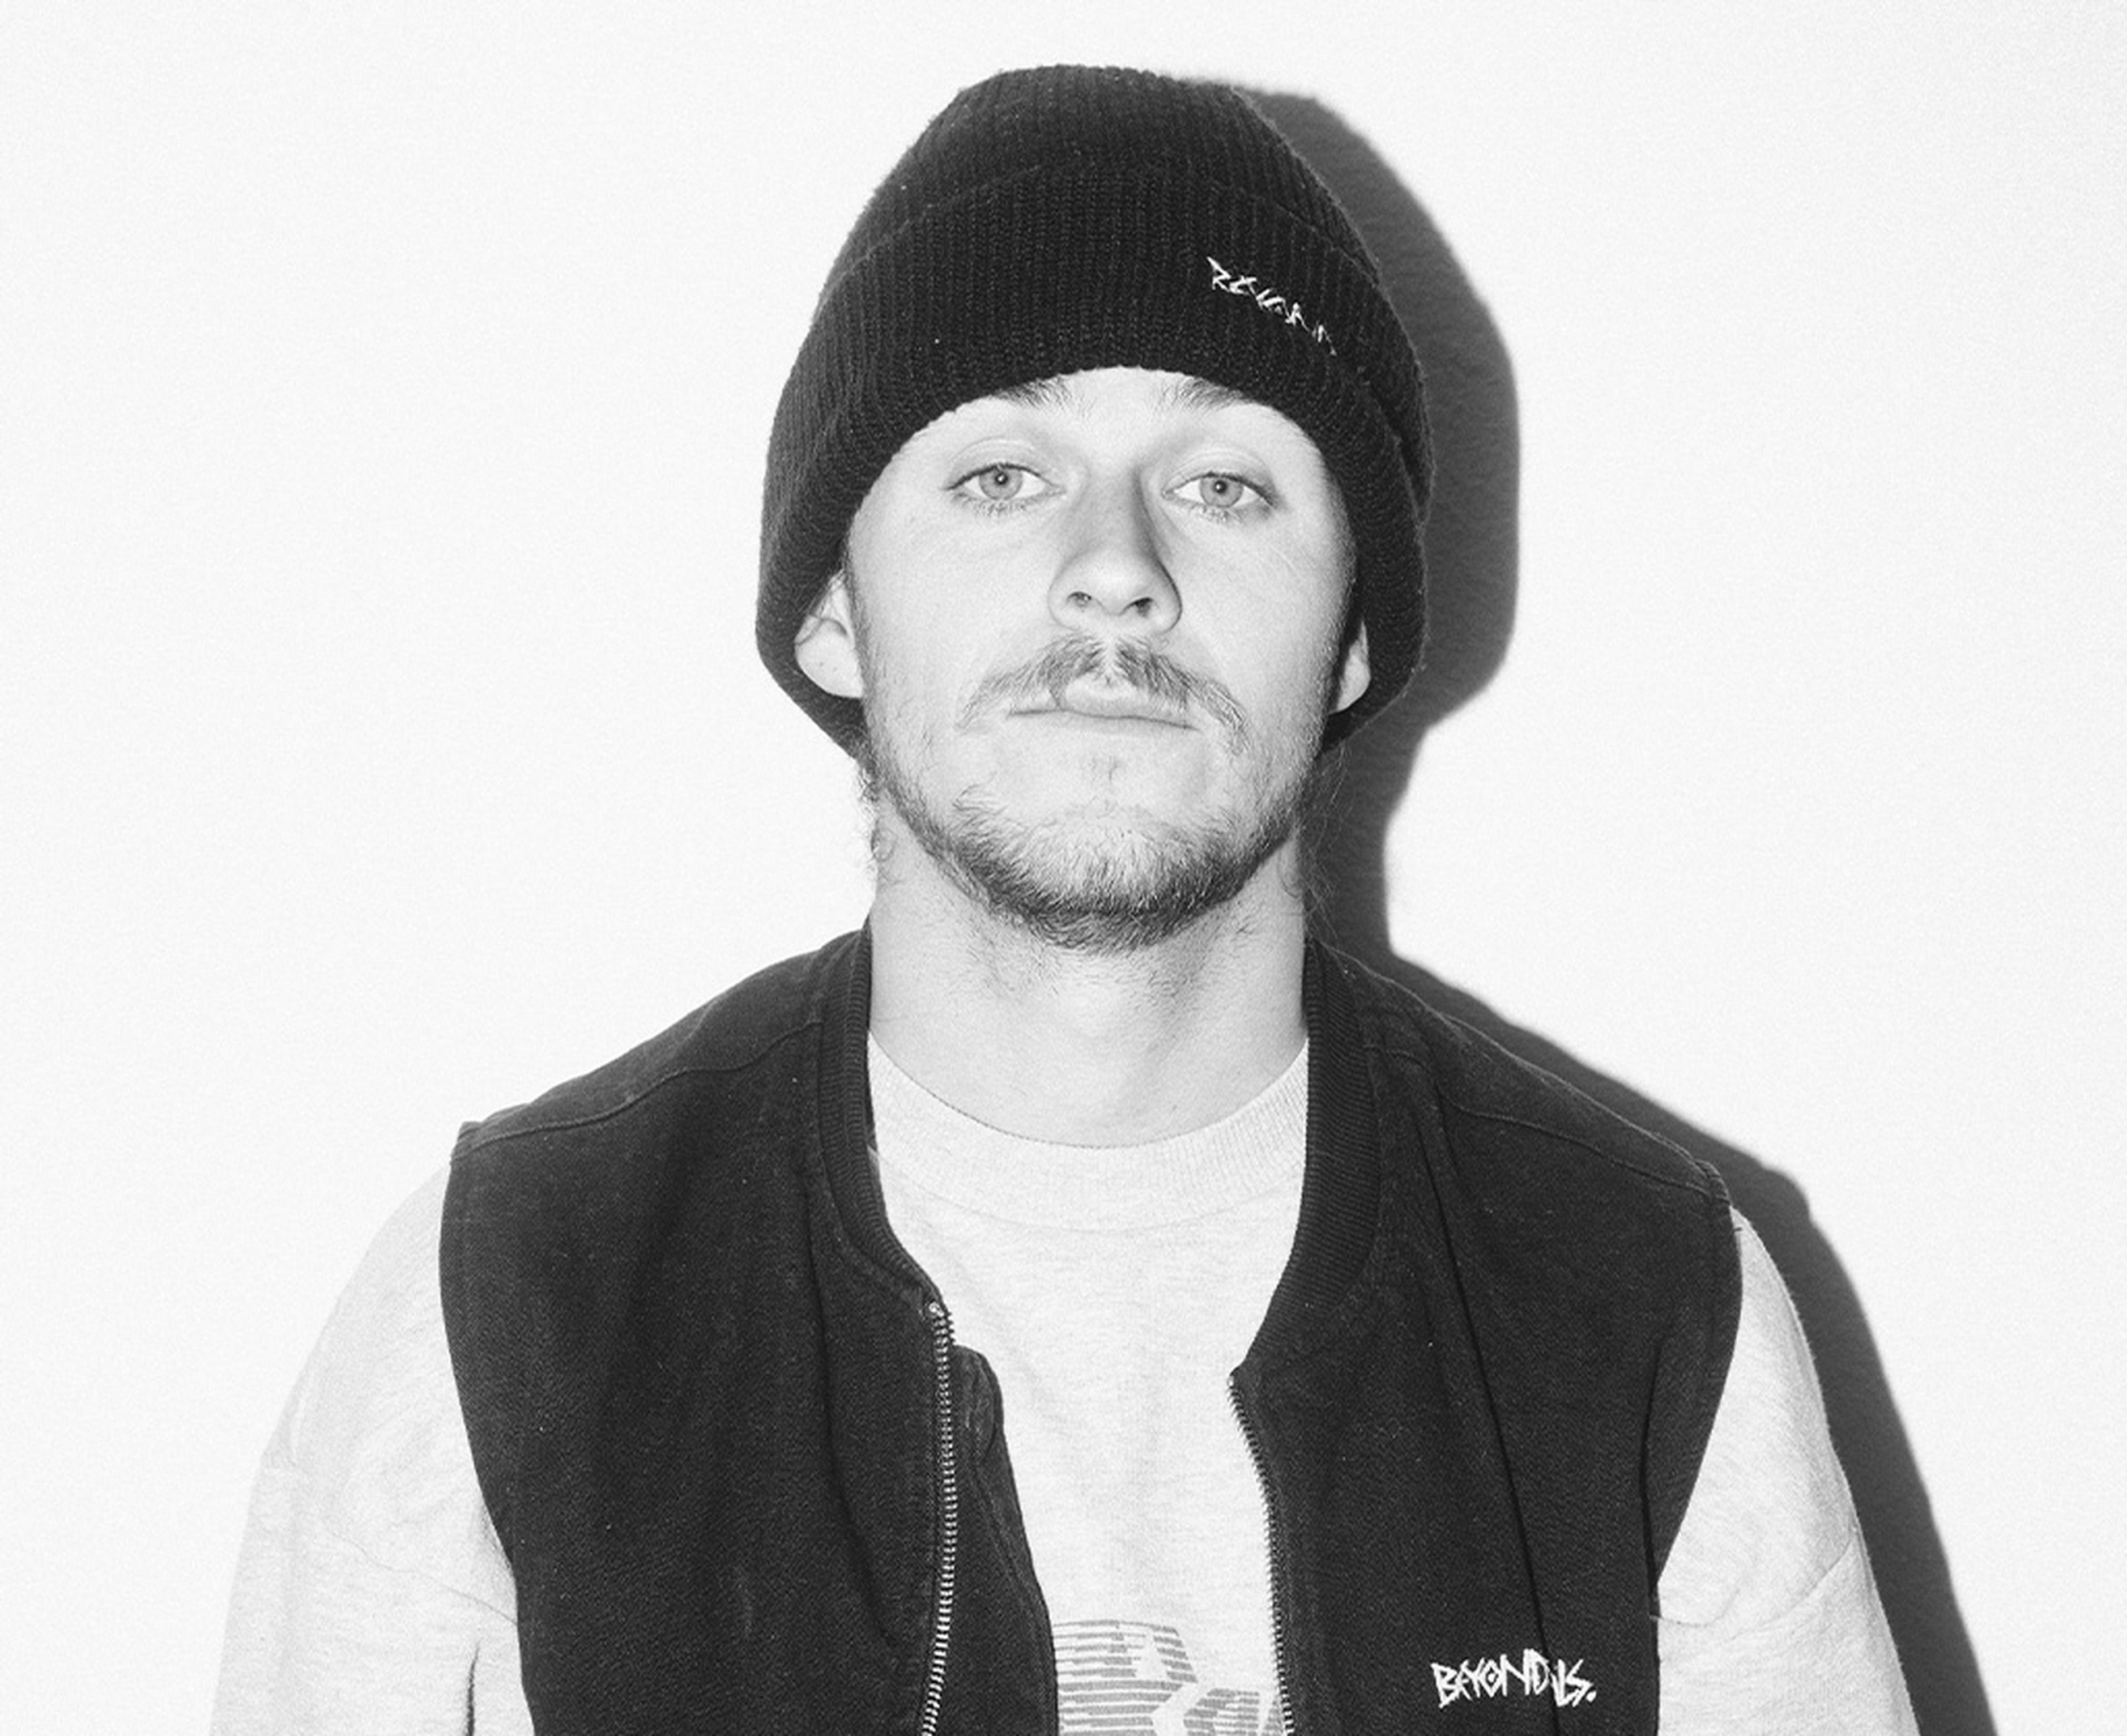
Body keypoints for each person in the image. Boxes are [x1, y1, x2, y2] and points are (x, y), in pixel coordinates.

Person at [213, 65, 1915, 1735]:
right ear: (831, 612)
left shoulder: (1640, 1307)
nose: (1116, 566)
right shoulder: (514, 1300)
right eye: (1002, 476)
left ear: (1353, 636)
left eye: (1224, 481)